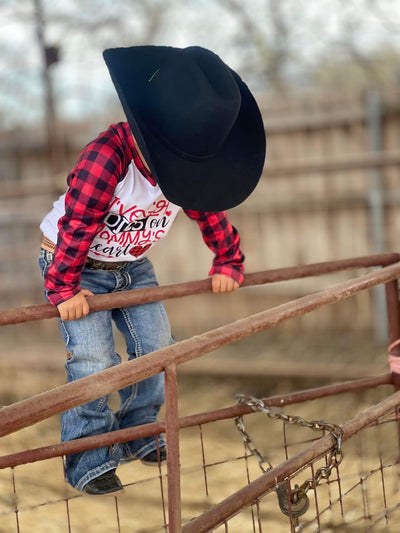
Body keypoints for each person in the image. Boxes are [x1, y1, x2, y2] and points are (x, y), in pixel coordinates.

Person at [39, 45, 266, 496]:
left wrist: (228, 260)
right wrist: (63, 287)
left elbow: (209, 211)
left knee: (158, 348)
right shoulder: (110, 157)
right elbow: (79, 223)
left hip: (133, 265)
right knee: (94, 359)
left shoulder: (188, 171)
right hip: (76, 263)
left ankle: (139, 432)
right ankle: (89, 460)